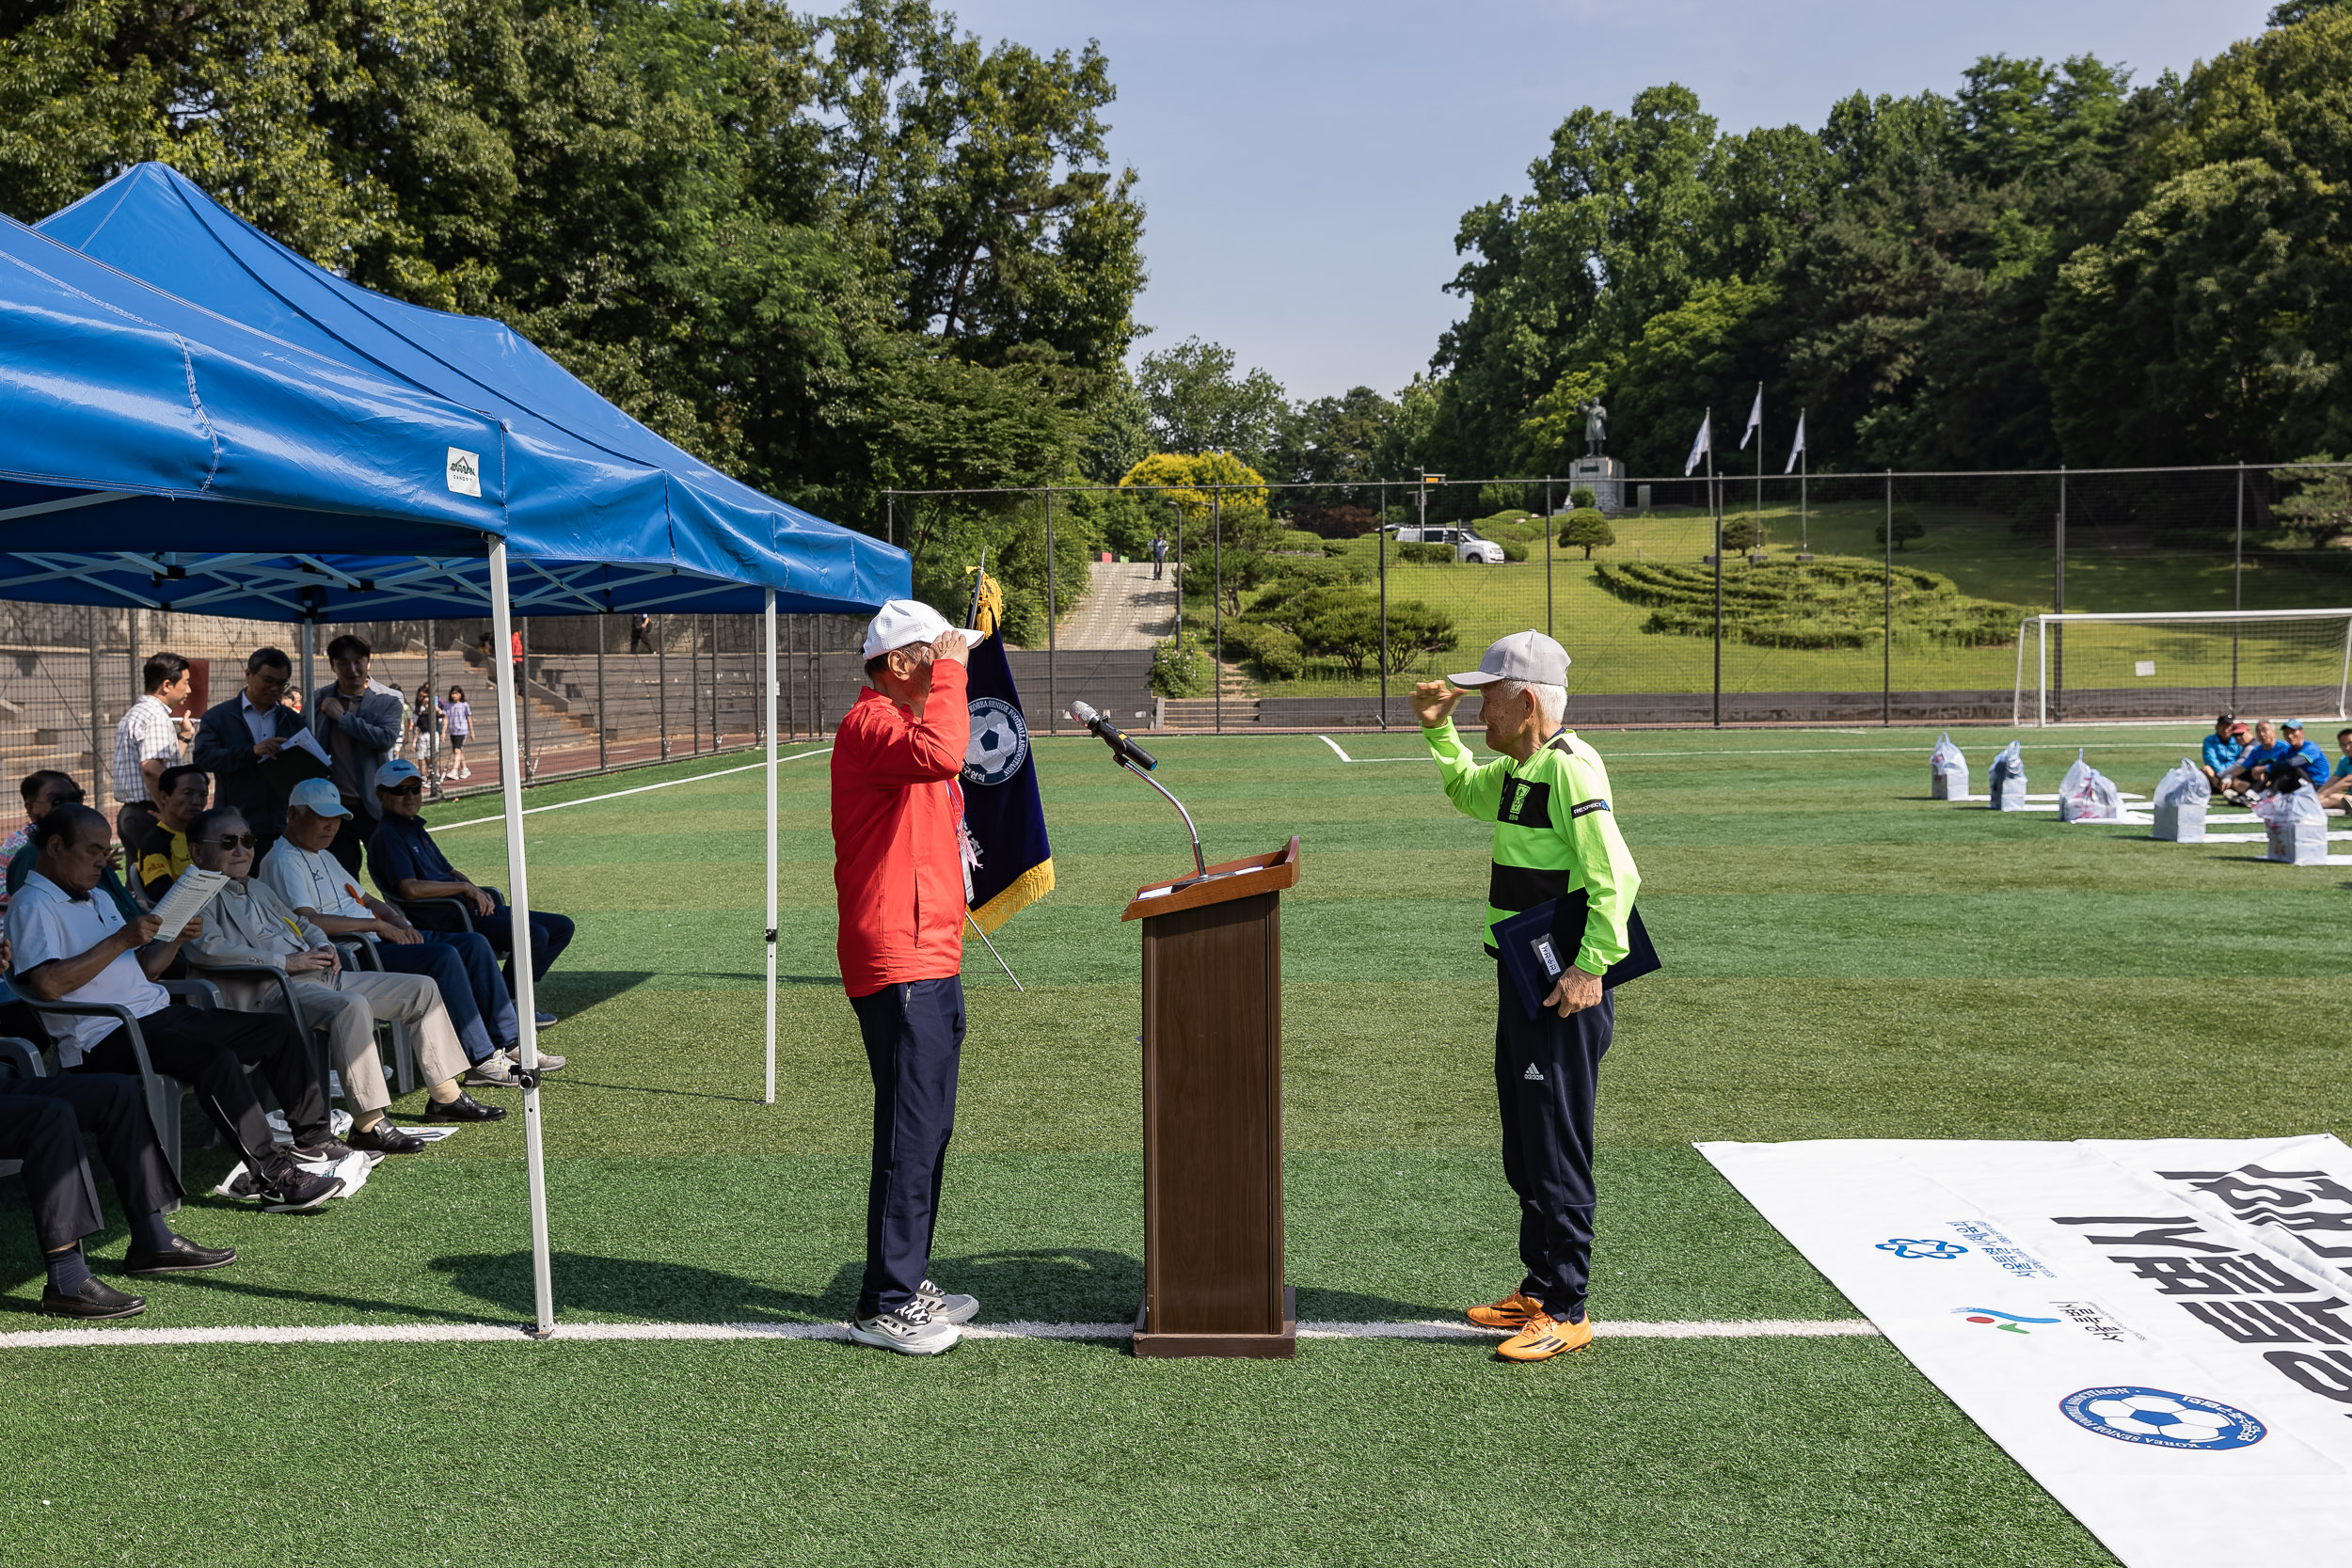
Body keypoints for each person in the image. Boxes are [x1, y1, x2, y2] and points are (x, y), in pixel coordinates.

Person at [1412, 629, 1641, 1364]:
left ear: (1528, 702)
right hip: (1523, 981)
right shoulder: (1522, 769)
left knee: (1557, 1142)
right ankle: (1540, 1288)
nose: (1480, 712)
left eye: (1487, 699)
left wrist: (1591, 964)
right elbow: (1462, 788)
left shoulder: (1571, 770)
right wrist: (1438, 730)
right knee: (1525, 1140)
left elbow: (1617, 874)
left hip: (1561, 992)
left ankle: (1568, 1306)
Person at [8, 803, 344, 1211]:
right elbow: (47, 984)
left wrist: (178, 938)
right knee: (213, 1059)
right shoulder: (32, 904)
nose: (103, 862)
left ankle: (313, 1140)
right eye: (93, 851)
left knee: (275, 1030)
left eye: (106, 851)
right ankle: (274, 1176)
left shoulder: (96, 895)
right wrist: (120, 941)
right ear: (56, 846)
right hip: (104, 1034)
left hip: (155, 1014)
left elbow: (147, 970)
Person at [832, 598, 988, 1355]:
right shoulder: (871, 725)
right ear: (899, 664)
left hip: (926, 952)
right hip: (899, 955)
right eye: (932, 655)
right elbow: (944, 754)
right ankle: (885, 1302)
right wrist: (955, 668)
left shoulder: (902, 723)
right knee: (908, 1131)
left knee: (928, 1128)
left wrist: (951, 663)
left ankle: (905, 1277)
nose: (947, 665)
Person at [181, 806, 501, 1146]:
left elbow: (302, 923)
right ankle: (369, 1124)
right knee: (350, 1006)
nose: (241, 849)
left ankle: (445, 1097)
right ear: (197, 850)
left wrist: (324, 946)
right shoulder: (190, 894)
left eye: (247, 840)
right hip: (268, 991)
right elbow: (207, 950)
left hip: (316, 977)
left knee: (421, 989)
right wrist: (286, 961)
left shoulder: (256, 887)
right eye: (228, 841)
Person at [262, 779, 540, 1086]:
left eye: (336, 819)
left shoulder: (323, 854)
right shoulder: (282, 860)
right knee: (444, 957)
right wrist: (379, 925)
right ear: (293, 815)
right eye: (321, 817)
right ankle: (480, 1059)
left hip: (378, 939)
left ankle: (510, 1040)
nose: (331, 827)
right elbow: (310, 922)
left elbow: (367, 899)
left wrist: (400, 922)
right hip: (355, 953)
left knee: (473, 943)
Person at [367, 759, 570, 1027]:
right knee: (534, 934)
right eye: (400, 790)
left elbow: (448, 870)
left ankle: (507, 994)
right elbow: (410, 888)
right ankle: (508, 1004)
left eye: (415, 788)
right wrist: (465, 889)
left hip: (468, 909)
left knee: (561, 926)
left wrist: (473, 888)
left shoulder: (414, 827)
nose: (410, 796)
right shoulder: (388, 836)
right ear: (382, 796)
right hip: (450, 918)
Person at [191, 647, 308, 861]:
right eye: (268, 680)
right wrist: (252, 751)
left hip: (282, 824)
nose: (275, 689)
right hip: (235, 824)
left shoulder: (293, 720)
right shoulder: (218, 717)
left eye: (282, 684)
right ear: (248, 675)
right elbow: (203, 758)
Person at [311, 633, 407, 872]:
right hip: (333, 807)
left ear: (368, 662)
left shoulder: (389, 699)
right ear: (333, 666)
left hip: (374, 805)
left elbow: (385, 740)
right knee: (343, 879)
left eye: (358, 661)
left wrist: (343, 718)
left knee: (393, 874)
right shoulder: (319, 698)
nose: (352, 669)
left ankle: (398, 912)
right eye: (343, 662)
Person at [4, 772, 141, 925]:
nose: (70, 806)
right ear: (31, 808)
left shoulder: (91, 854)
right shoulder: (32, 856)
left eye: (76, 799)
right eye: (58, 801)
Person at [110, 651, 194, 859]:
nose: (189, 689)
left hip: (132, 814)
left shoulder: (137, 712)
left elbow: (161, 766)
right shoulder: (156, 716)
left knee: (139, 882)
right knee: (161, 884)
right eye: (186, 682)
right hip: (150, 814)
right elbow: (151, 768)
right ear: (167, 685)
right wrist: (168, 813)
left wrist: (183, 737)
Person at [134, 764, 209, 904]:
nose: (197, 801)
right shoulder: (155, 843)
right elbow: (161, 892)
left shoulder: (211, 836)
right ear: (164, 797)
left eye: (203, 795)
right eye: (188, 793)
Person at [2273, 721, 2332, 793]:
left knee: (2292, 769)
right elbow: (2274, 761)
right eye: (2286, 733)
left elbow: (2292, 763)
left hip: (2319, 786)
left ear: (2302, 733)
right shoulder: (2288, 750)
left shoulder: (2311, 747)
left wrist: (2267, 768)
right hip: (2301, 783)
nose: (2289, 736)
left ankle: (2270, 794)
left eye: (2293, 732)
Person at [2195, 714, 2249, 793]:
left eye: (2228, 726)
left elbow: (2240, 760)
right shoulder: (2209, 740)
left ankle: (2221, 787)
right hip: (2215, 773)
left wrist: (2228, 775)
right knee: (2206, 769)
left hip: (2233, 773)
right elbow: (2210, 759)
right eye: (2222, 726)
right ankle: (2223, 786)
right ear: (2216, 727)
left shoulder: (2238, 739)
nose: (2226, 729)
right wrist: (2222, 774)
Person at [410, 684, 444, 784]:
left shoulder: (435, 714)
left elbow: (442, 715)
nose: (426, 705)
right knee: (421, 755)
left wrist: (437, 709)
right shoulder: (421, 715)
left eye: (428, 703)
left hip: (433, 735)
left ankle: (433, 773)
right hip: (423, 735)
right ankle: (422, 774)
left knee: (430, 755)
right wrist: (414, 741)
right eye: (424, 703)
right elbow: (418, 729)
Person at [2317, 727, 2352, 813]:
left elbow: (2348, 781)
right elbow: (2335, 778)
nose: (2347, 747)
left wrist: (2323, 794)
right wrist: (2317, 794)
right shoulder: (2345, 760)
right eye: (2342, 745)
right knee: (2333, 798)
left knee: (2332, 798)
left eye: (2350, 743)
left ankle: (2308, 807)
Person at [443, 686, 473, 782]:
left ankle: (455, 770)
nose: (454, 695)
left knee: (457, 750)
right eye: (453, 693)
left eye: (456, 693)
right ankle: (465, 769)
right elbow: (446, 719)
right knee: (459, 751)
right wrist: (443, 732)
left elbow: (469, 718)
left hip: (462, 731)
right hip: (453, 731)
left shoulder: (464, 705)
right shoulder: (448, 705)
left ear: (460, 694)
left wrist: (472, 732)